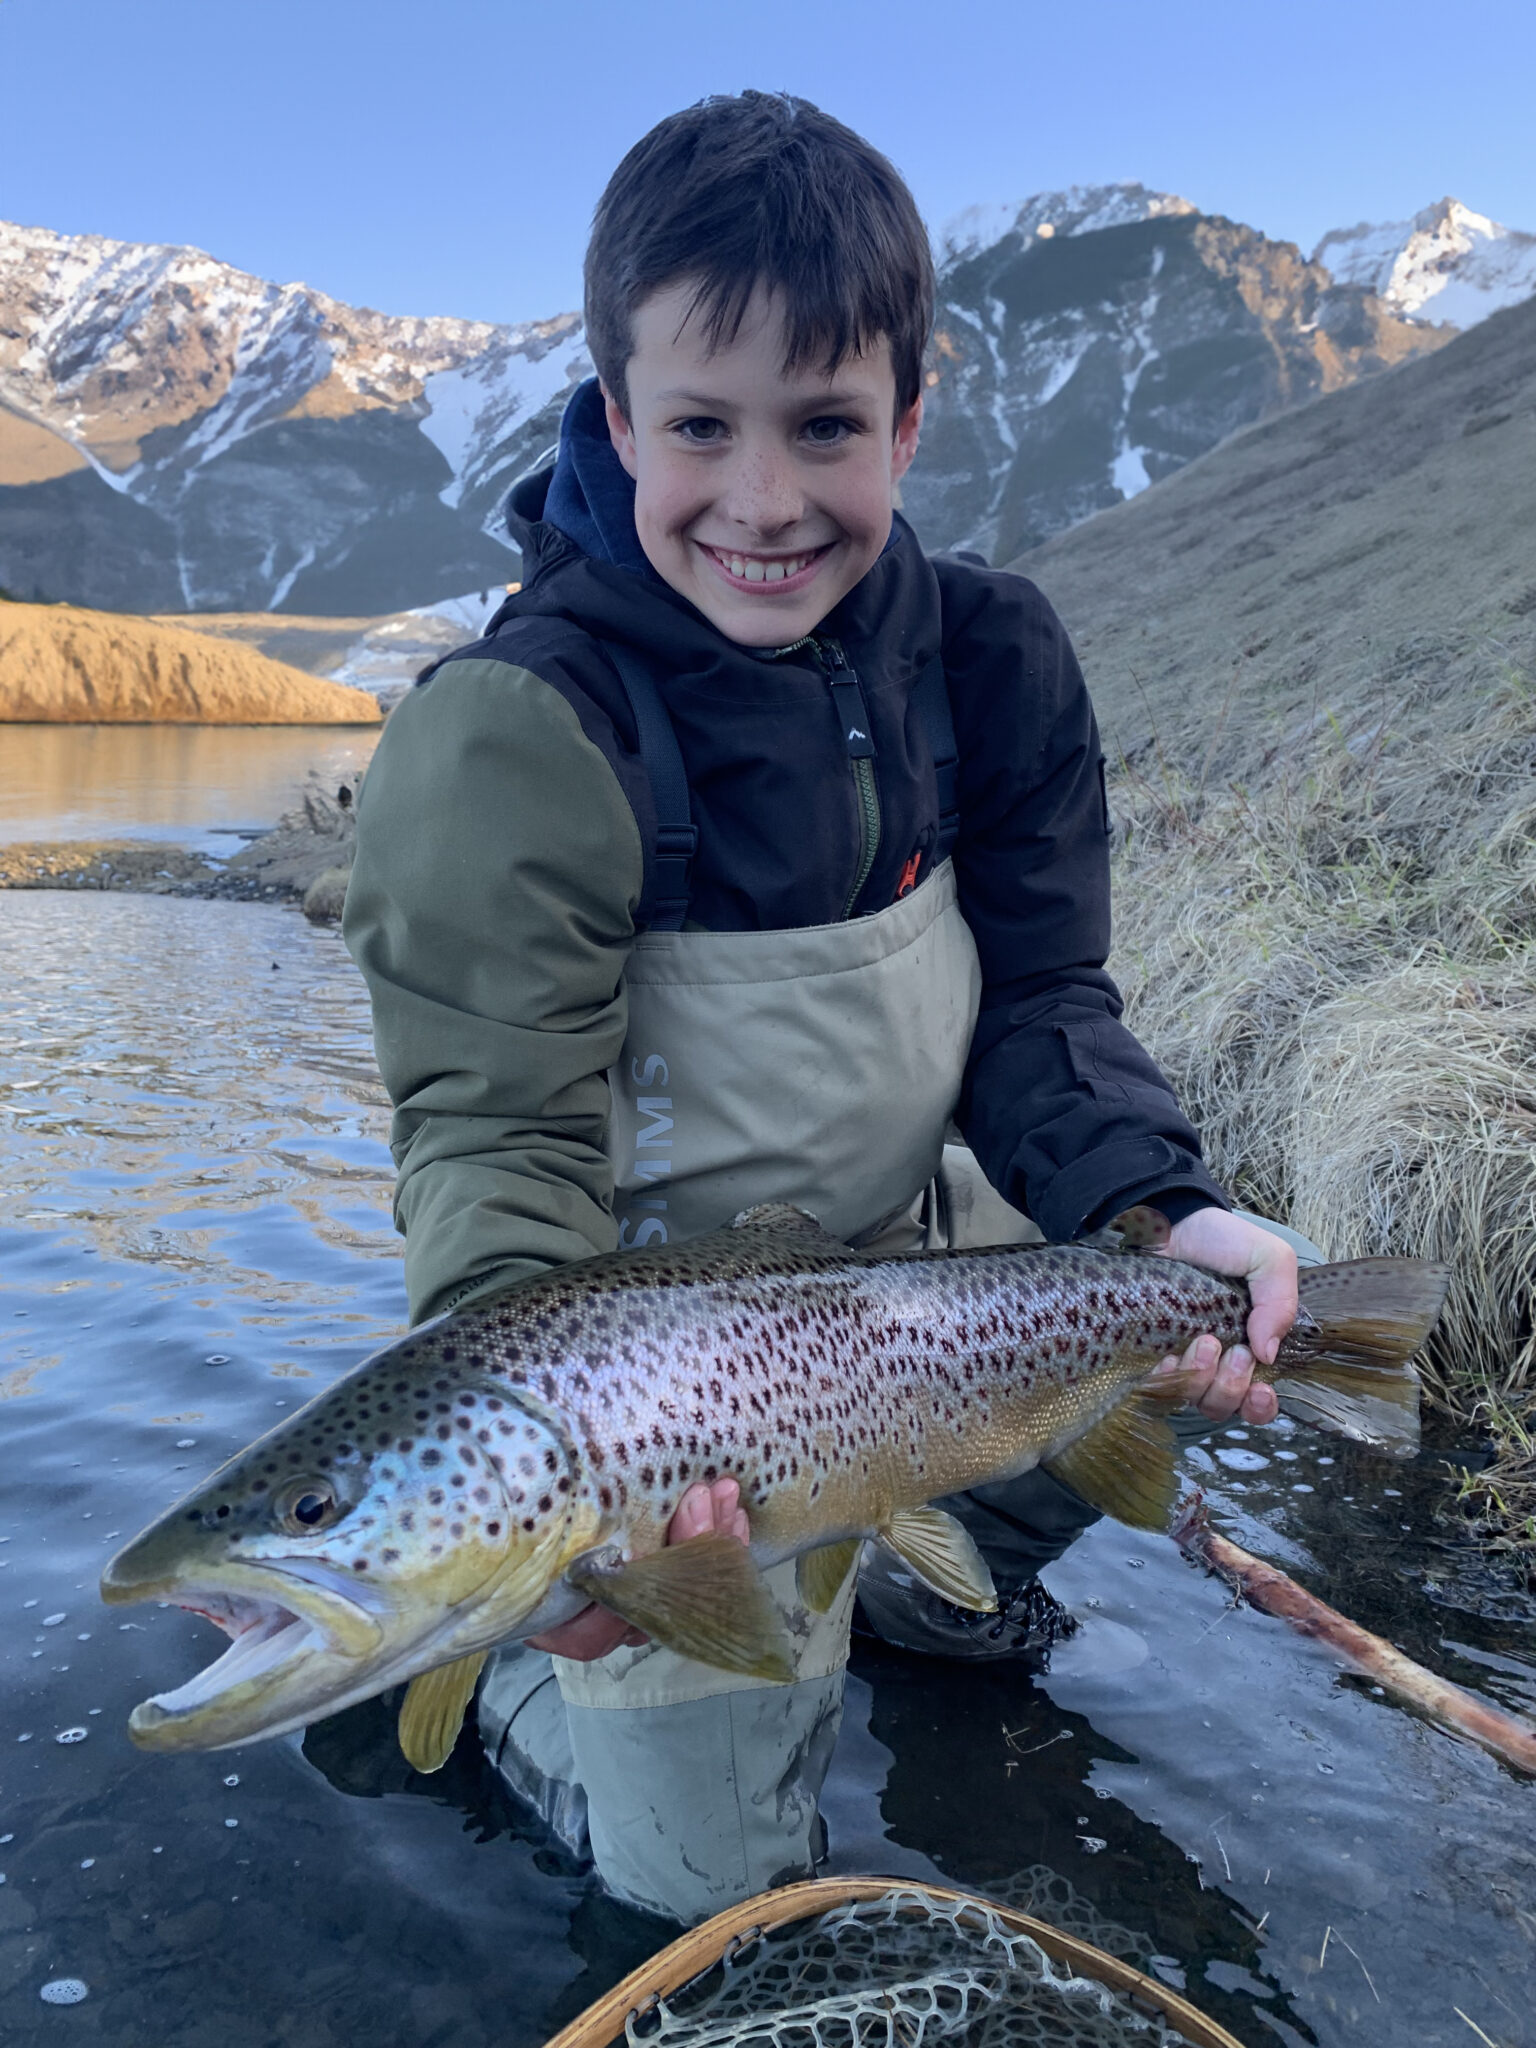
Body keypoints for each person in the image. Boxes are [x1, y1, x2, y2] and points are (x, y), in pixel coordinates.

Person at [342, 90, 1311, 1926]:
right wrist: (541, 1511)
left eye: (827, 428)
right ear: (616, 418)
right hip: (649, 1383)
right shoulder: (513, 734)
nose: (767, 500)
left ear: (911, 423)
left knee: (1142, 1298)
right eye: (701, 427)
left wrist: (1171, 1206)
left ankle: (907, 1580)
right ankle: (499, 1679)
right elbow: (497, 1142)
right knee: (714, 1888)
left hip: (900, 1291)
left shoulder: (996, 660)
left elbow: (1044, 1005)